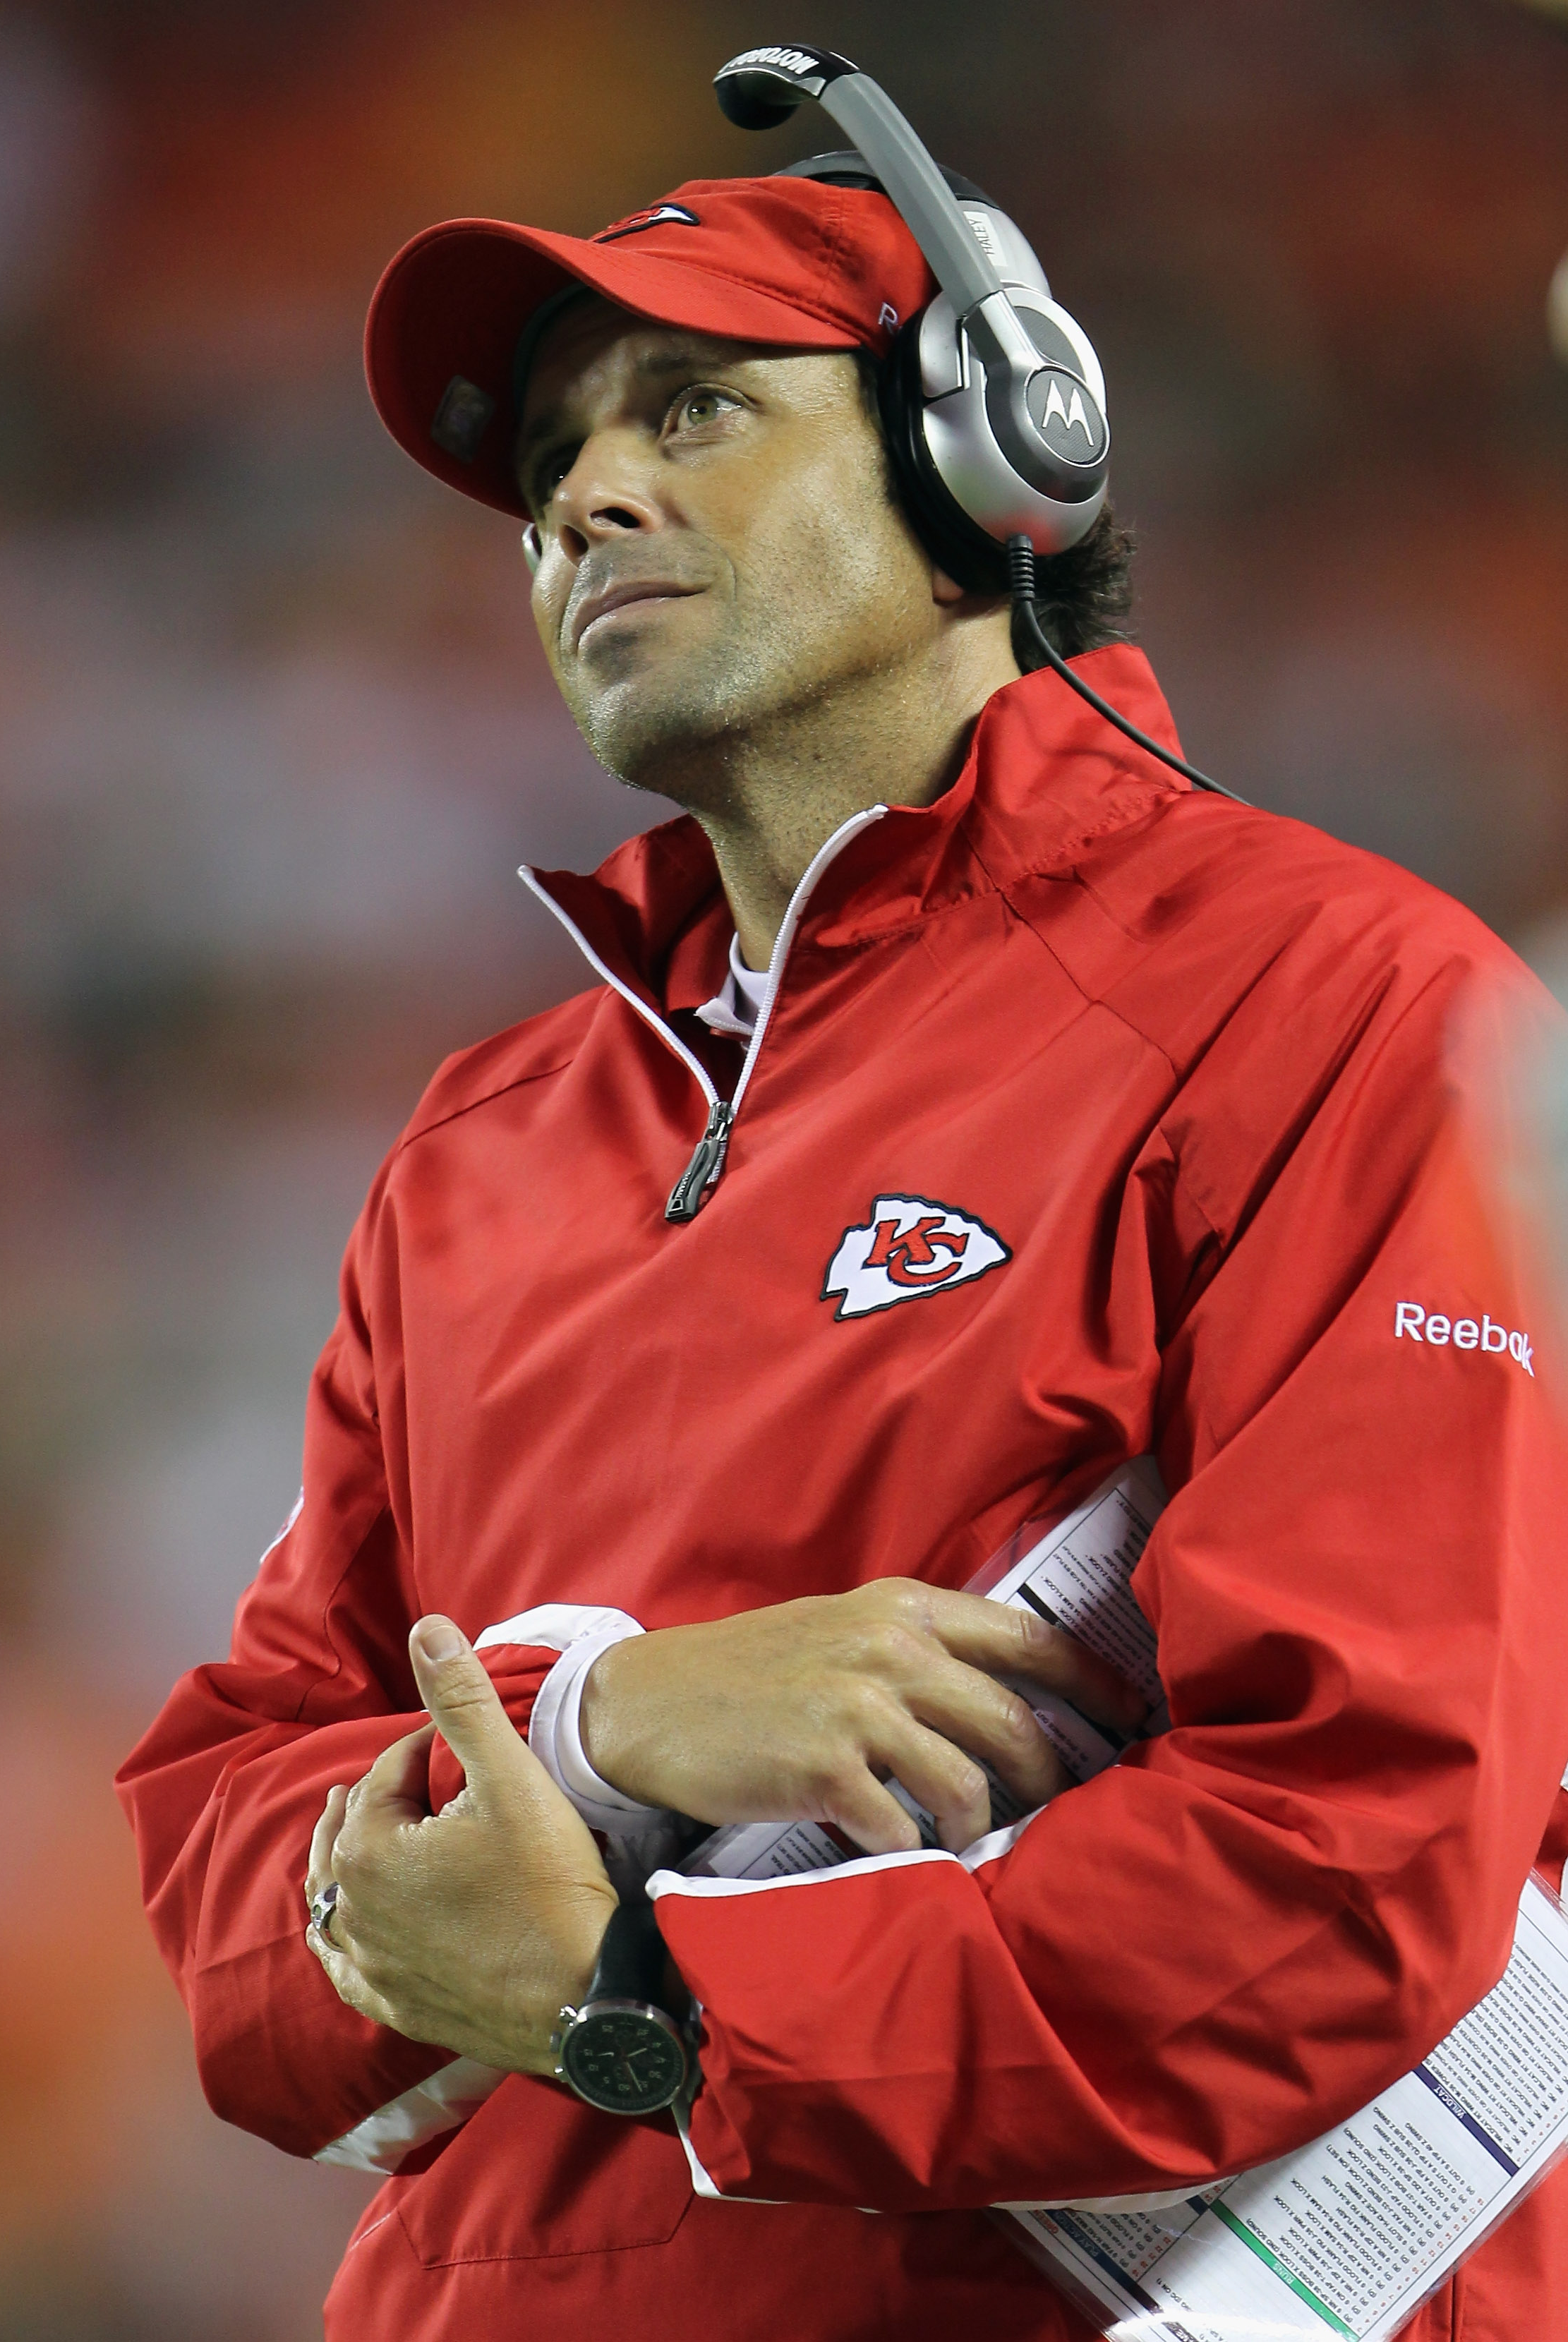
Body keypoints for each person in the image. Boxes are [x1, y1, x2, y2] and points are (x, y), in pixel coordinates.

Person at [118, 163, 1568, 2341]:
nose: (585, 500)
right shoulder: (477, 1144)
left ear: (998, 453)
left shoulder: (1342, 1006)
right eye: (543, 468)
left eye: (691, 409)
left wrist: (645, 2005)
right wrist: (605, 1726)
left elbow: (1341, 1871)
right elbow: (230, 1908)